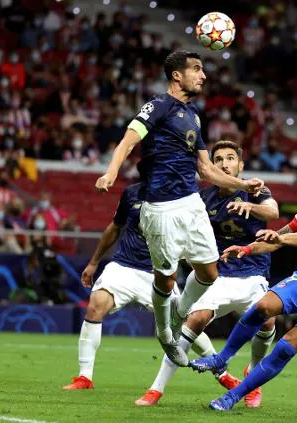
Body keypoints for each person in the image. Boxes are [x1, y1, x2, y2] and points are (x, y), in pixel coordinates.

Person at [94, 51, 263, 366]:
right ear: (176, 75)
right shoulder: (158, 106)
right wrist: (111, 171)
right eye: (196, 69)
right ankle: (164, 332)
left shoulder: (194, 114)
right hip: (160, 208)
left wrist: (242, 185)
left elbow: (206, 168)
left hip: (191, 201)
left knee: (210, 272)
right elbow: (128, 140)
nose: (203, 75)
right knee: (167, 279)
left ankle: (178, 316)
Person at [189, 165, 297, 411]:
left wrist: (281, 239)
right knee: (263, 305)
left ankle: (234, 395)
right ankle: (222, 358)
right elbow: (275, 239)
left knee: (286, 346)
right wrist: (248, 249)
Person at [136, 141, 279, 407]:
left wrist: (252, 208)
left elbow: (274, 211)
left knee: (269, 321)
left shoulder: (256, 189)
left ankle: (253, 377)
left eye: (230, 159)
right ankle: (156, 390)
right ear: (212, 167)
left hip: (253, 274)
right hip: (219, 276)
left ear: (241, 165)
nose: (225, 164)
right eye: (219, 160)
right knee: (196, 319)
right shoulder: (202, 198)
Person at [63, 179, 217, 390]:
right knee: (96, 304)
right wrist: (93, 263)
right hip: (124, 266)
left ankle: (222, 372)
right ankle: (84, 377)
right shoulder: (132, 193)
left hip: (159, 272)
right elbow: (115, 227)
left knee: (184, 325)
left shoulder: (182, 195)